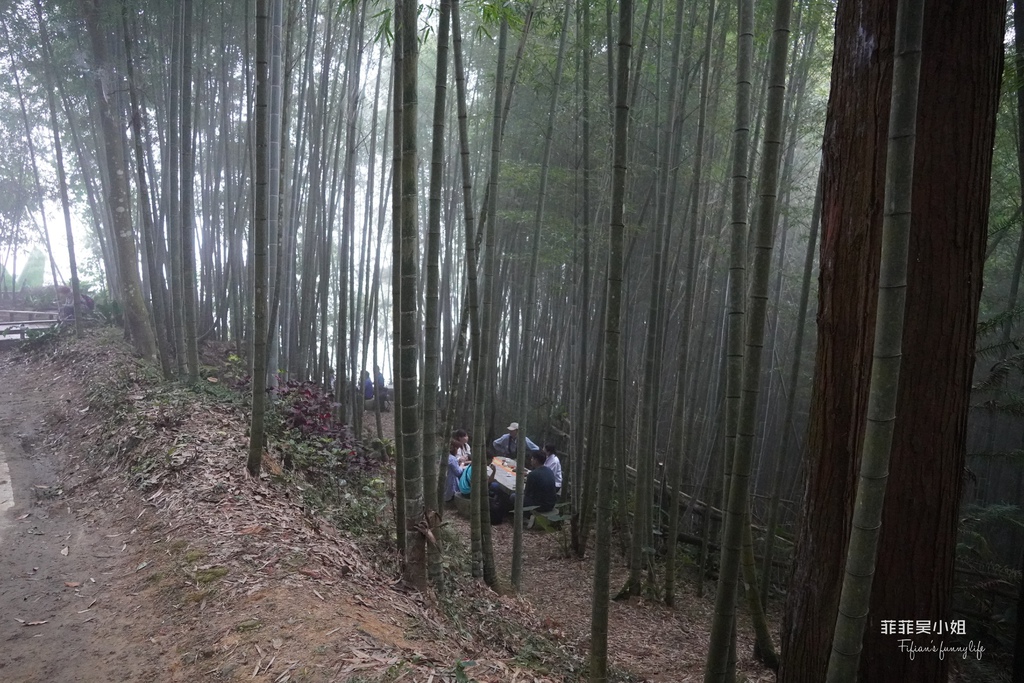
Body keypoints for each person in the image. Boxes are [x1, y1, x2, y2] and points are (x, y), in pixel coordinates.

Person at [523, 449, 557, 514]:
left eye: (532, 458)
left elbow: (527, 493)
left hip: (540, 506)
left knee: (513, 496)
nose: (531, 460)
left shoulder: (533, 474)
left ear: (536, 460)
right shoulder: (549, 470)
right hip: (551, 504)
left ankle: (525, 515)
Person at [443, 439, 464, 505]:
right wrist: (461, 465)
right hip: (452, 481)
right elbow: (458, 472)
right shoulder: (452, 459)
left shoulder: (445, 456)